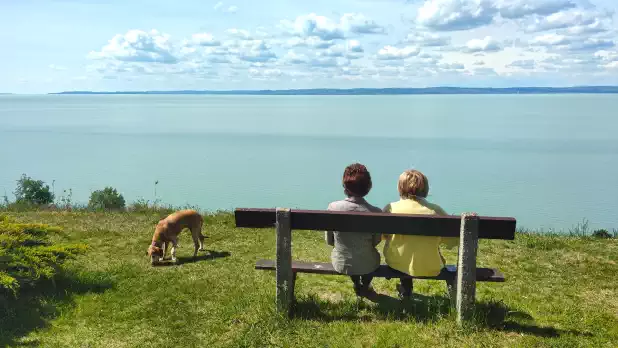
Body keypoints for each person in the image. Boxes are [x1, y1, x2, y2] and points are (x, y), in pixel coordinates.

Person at [382, 169, 458, 299]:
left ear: (400, 188)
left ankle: (406, 289)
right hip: (431, 266)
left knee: (404, 254)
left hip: (396, 263)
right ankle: (406, 289)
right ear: (426, 189)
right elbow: (453, 240)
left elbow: (383, 235)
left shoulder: (390, 208)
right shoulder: (435, 210)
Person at [325, 163, 382, 298]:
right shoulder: (376, 212)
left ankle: (356, 283)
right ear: (369, 187)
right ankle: (365, 285)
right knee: (369, 258)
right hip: (368, 263)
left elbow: (329, 240)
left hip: (341, 262)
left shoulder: (332, 207)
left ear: (345, 187)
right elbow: (376, 241)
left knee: (353, 258)